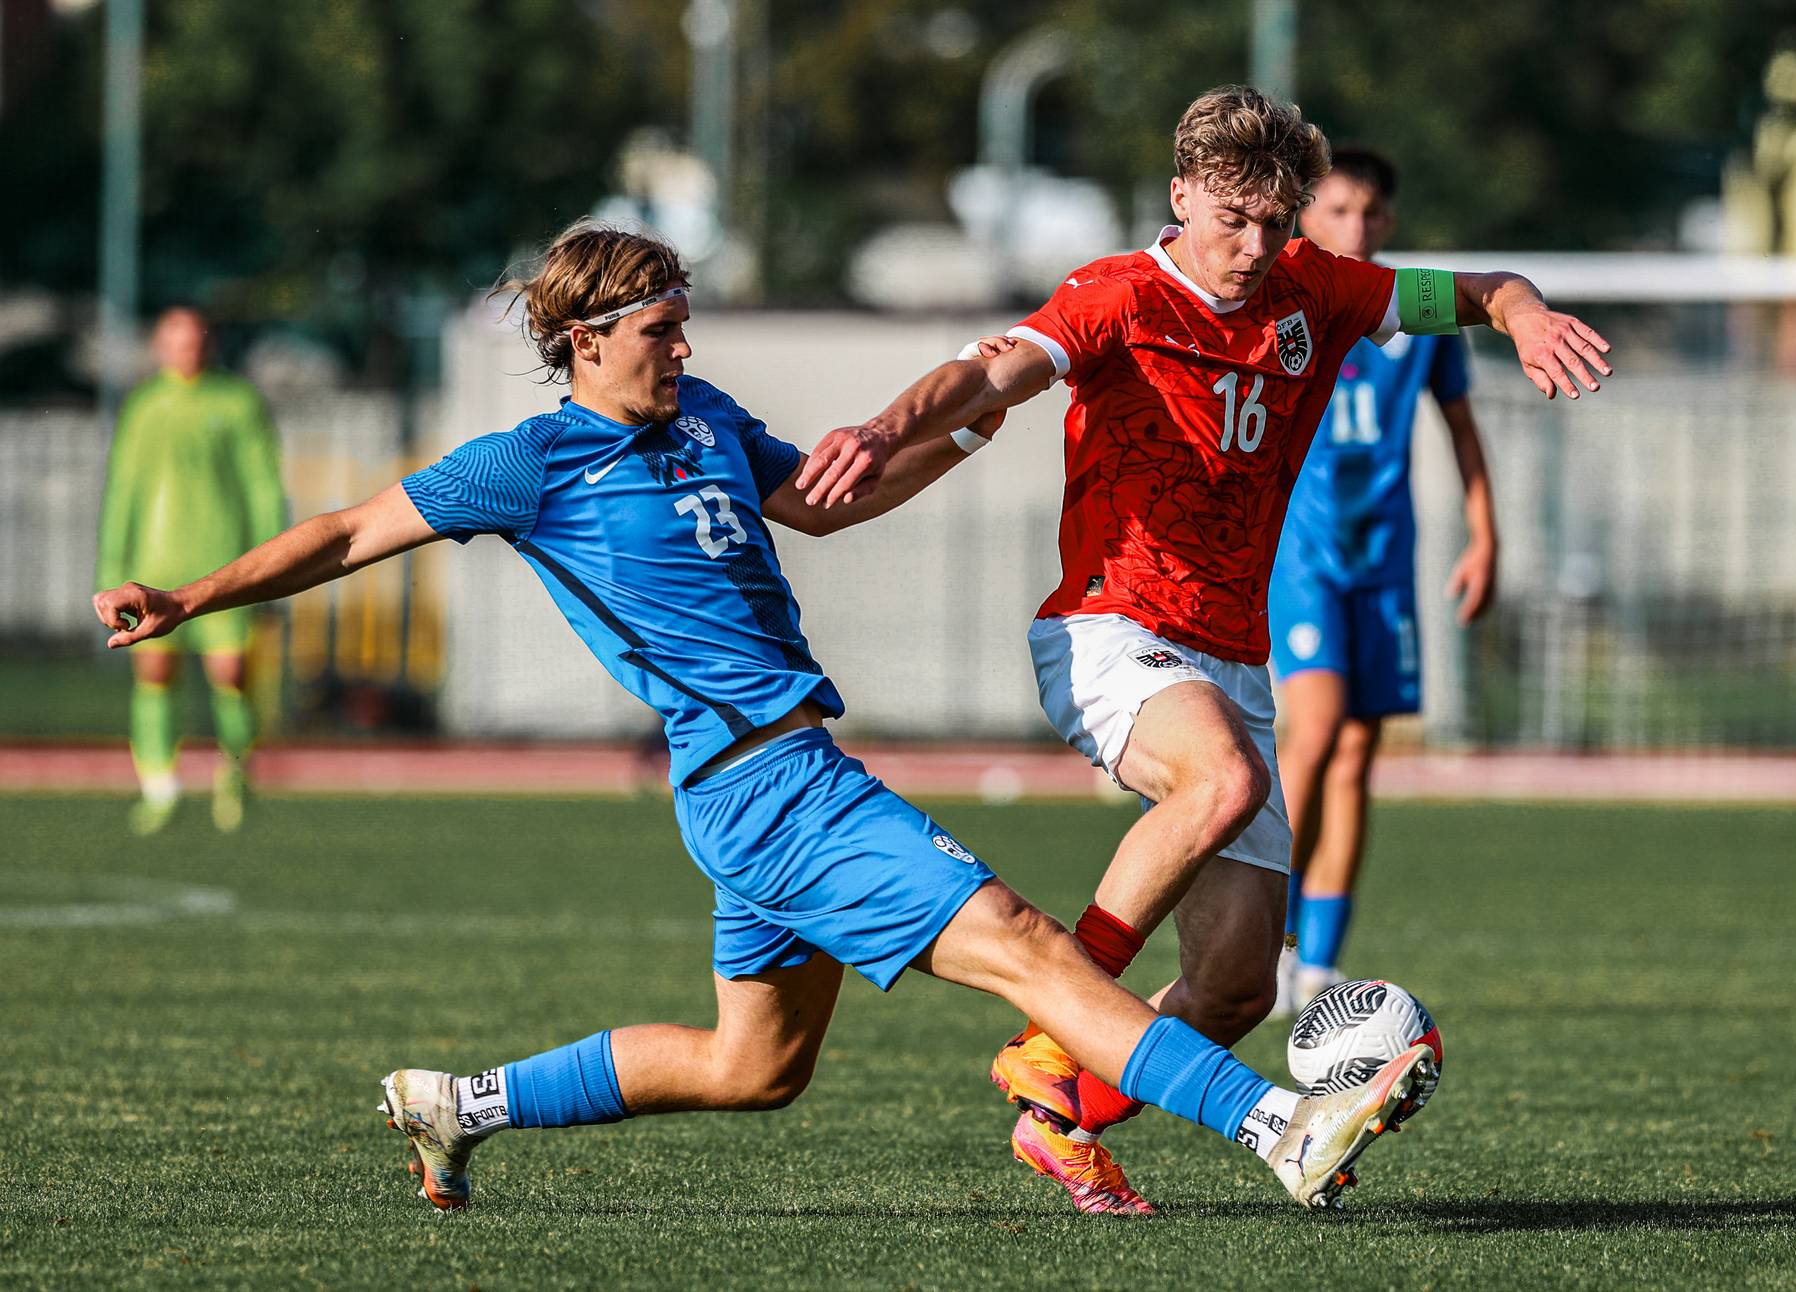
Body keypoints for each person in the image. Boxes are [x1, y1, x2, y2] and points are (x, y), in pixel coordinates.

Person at [91, 220, 1436, 1215]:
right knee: (1028, 949)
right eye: (660, 330)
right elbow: (343, 532)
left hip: (767, 780)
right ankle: (1280, 1129)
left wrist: (975, 422)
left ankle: (460, 1104)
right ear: (585, 342)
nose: (684, 346)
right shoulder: (532, 461)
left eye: (685, 324)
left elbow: (828, 500)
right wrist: (190, 597)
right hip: (771, 789)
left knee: (754, 1068)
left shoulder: (709, 417)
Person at [804, 85, 1609, 1214]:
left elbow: (1476, 290)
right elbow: (986, 374)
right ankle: (1048, 1035)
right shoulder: (1115, 295)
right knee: (1220, 778)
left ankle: (1064, 1117)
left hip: (1231, 660)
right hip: (1107, 628)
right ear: (1181, 194)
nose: (1253, 247)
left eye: (1276, 224)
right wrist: (885, 424)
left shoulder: (1316, 290)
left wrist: (1522, 315)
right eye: (1233, 217)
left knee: (1234, 982)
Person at [1270, 150, 1499, 1015]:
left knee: (1359, 754)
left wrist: (1484, 537)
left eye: (1368, 213)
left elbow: (1463, 431)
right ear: (1305, 219)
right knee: (1317, 730)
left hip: (1386, 563)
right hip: (1303, 555)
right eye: (1334, 211)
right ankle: (1266, 938)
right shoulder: (1290, 301)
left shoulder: (1413, 320)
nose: (1353, 229)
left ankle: (1318, 968)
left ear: (1388, 223)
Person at [95, 306, 285, 834]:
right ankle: (159, 787)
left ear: (210, 342)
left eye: (195, 339)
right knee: (155, 674)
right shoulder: (145, 406)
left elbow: (262, 484)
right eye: (175, 341)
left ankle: (236, 775)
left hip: (224, 565)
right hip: (154, 567)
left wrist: (270, 561)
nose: (188, 350)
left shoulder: (238, 401)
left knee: (232, 674)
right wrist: (112, 566)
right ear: (159, 347)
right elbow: (124, 491)